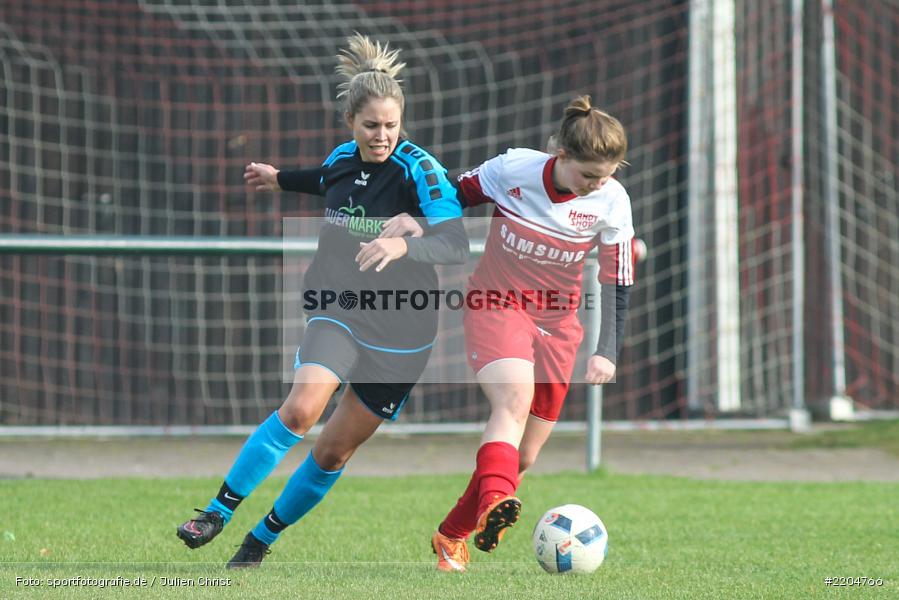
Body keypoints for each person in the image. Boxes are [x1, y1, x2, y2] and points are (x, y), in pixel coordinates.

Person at [175, 32, 468, 569]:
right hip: (338, 308)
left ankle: (261, 539)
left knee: (333, 451)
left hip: (402, 334)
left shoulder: (421, 170)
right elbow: (327, 179)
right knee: (301, 408)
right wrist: (279, 179)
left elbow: (455, 243)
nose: (381, 136)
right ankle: (217, 510)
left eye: (391, 126)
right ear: (350, 123)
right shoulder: (342, 157)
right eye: (370, 126)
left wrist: (405, 241)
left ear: (402, 123)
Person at [390, 95, 636, 572]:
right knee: (512, 403)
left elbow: (617, 278)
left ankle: (452, 535)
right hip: (495, 304)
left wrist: (606, 350)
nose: (597, 185)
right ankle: (495, 505)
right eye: (588, 175)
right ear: (561, 157)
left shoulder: (612, 198)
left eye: (606, 175)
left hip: (559, 326)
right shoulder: (514, 170)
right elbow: (454, 191)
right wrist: (415, 222)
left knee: (522, 456)